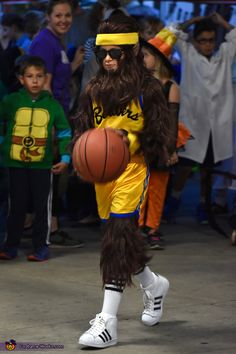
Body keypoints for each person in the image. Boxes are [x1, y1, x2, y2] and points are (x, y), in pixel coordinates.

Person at [74, 15, 173, 349]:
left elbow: (160, 137)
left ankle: (108, 322)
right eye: (103, 54)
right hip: (103, 175)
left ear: (130, 51)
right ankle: (154, 284)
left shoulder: (148, 90)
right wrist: (82, 155)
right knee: (120, 242)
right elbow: (82, 132)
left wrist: (126, 142)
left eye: (115, 52)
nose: (108, 59)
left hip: (132, 171)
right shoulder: (93, 90)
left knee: (116, 238)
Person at [163, 13, 236, 224]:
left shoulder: (224, 55)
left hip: (216, 124)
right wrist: (192, 22)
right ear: (195, 41)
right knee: (186, 166)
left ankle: (204, 203)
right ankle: (175, 200)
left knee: (208, 168)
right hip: (193, 122)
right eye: (202, 41)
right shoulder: (188, 54)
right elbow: (172, 33)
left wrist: (222, 22)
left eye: (211, 40)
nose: (207, 45)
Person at [0, 56, 71, 261]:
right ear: (21, 79)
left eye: (39, 76)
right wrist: (3, 143)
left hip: (42, 166)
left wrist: (66, 157)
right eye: (30, 76)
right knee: (16, 207)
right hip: (15, 165)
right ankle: (10, 246)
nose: (35, 81)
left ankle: (41, 247)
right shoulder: (10, 101)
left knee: (42, 208)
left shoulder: (52, 105)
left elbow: (65, 132)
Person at [29, 0, 85, 247]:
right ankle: (48, 229)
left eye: (68, 15)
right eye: (58, 15)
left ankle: (40, 226)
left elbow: (57, 77)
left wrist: (74, 65)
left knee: (51, 175)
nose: (64, 20)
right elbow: (42, 84)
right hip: (49, 120)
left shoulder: (55, 41)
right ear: (48, 16)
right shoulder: (44, 41)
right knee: (53, 175)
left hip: (57, 115)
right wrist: (53, 124)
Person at [139, 28, 180, 250]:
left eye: (146, 55)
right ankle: (138, 227)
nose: (142, 59)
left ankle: (152, 227)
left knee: (157, 188)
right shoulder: (141, 85)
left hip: (161, 143)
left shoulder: (171, 87)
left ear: (159, 59)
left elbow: (173, 120)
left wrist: (170, 149)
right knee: (140, 187)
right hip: (142, 142)